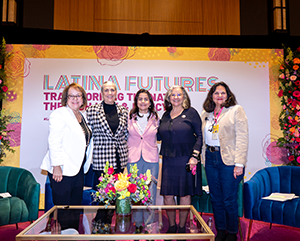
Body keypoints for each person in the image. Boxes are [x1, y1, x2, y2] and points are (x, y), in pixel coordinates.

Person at [40, 83, 93, 231]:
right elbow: (54, 141)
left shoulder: (82, 116)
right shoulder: (60, 113)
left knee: (75, 208)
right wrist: (56, 166)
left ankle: (72, 234)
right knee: (63, 210)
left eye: (78, 96)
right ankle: (63, 235)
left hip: (78, 169)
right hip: (62, 170)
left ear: (83, 99)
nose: (75, 99)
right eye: (71, 96)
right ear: (66, 98)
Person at [201, 82, 248, 241]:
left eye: (222, 93)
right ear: (211, 96)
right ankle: (220, 230)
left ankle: (232, 232)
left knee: (229, 199)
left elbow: (242, 137)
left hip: (228, 160)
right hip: (209, 158)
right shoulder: (206, 113)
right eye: (216, 93)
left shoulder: (236, 110)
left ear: (228, 95)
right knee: (215, 198)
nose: (219, 96)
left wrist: (239, 164)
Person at [158, 85, 203, 234]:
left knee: (184, 195)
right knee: (168, 196)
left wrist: (195, 156)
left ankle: (183, 226)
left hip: (186, 160)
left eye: (179, 94)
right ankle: (172, 226)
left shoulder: (191, 113)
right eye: (173, 95)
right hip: (168, 161)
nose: (176, 97)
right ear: (168, 98)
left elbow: (199, 136)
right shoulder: (165, 115)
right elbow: (158, 136)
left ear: (184, 97)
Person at [86, 80, 128, 226]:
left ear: (116, 92)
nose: (110, 93)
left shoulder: (123, 110)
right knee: (104, 193)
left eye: (112, 90)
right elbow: (87, 133)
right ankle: (99, 221)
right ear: (102, 92)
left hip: (119, 159)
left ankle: (106, 223)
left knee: (114, 193)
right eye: (107, 90)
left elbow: (126, 134)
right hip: (102, 158)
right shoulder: (92, 110)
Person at [127, 89, 159, 227]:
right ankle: (138, 224)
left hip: (151, 159)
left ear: (150, 102)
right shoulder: (129, 117)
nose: (143, 102)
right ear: (136, 101)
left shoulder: (156, 118)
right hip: (133, 158)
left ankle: (150, 224)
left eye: (146, 99)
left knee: (150, 192)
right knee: (135, 192)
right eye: (140, 99)